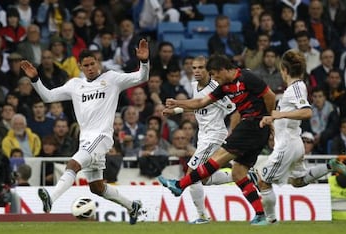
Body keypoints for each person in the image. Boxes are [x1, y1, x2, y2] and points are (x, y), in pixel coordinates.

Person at [20, 38, 150, 225]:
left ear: (97, 63)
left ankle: (51, 197)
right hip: (86, 140)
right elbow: (47, 96)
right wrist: (35, 79)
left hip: (102, 137)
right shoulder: (75, 85)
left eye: (93, 63)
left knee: (73, 163)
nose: (90, 68)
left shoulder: (112, 79)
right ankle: (132, 207)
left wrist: (144, 62)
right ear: (80, 66)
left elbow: (141, 77)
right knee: (96, 187)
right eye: (86, 65)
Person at [158, 54, 276, 225]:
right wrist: (178, 104)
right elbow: (201, 103)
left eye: (214, 73)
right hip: (251, 130)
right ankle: (260, 215)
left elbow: (270, 96)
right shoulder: (223, 86)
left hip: (250, 124)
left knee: (212, 162)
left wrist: (268, 117)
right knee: (237, 173)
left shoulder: (246, 77)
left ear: (222, 70)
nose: (213, 78)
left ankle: (180, 186)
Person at [257, 49, 346, 224]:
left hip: (286, 145)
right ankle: (329, 166)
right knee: (298, 181)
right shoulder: (293, 89)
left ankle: (269, 221)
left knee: (263, 182)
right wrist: (272, 119)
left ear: (284, 70)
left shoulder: (296, 87)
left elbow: (307, 112)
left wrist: (280, 116)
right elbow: (288, 115)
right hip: (294, 143)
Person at [162, 56, 238, 224]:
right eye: (194, 67)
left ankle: (202, 216)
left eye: (200, 68)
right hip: (203, 136)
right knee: (203, 178)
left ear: (208, 70)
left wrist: (234, 131)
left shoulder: (215, 88)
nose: (196, 71)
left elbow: (233, 108)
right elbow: (197, 104)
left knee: (192, 174)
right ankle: (241, 176)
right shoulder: (194, 85)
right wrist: (175, 111)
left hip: (214, 135)